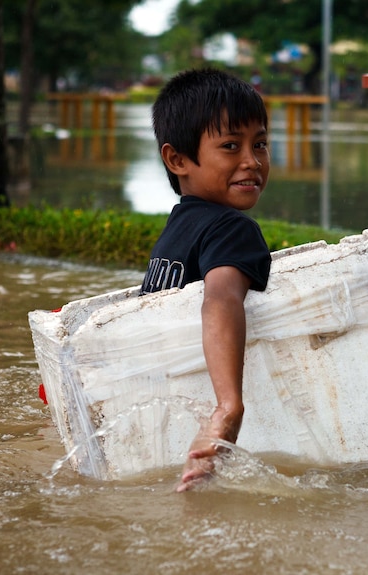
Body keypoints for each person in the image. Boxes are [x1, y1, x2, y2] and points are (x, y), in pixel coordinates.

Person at [140, 68, 272, 492]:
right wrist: (228, 407)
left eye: (261, 144)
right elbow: (221, 300)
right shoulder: (234, 229)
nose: (252, 161)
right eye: (231, 146)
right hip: (197, 428)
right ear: (178, 159)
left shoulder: (181, 224)